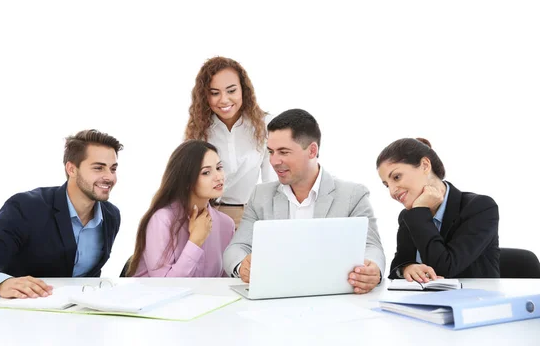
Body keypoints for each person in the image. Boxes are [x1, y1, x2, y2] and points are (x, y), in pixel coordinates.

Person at [223, 109, 385, 294]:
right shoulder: (260, 195)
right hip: (277, 299)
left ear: (312, 151)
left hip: (334, 299)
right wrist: (241, 266)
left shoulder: (353, 195)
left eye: (283, 152)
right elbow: (236, 248)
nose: (274, 161)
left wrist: (374, 271)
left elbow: (372, 247)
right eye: (271, 152)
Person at [0, 129, 123, 298]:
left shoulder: (111, 216)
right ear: (71, 169)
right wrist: (2, 283)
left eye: (113, 168)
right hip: (20, 316)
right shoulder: (27, 208)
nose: (110, 177)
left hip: (79, 316)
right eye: (98, 168)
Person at [376, 137, 499, 282]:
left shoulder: (479, 208)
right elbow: (398, 266)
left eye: (396, 177)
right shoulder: (409, 216)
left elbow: (445, 268)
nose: (392, 192)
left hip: (472, 301)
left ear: (425, 165)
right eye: (386, 185)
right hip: (421, 301)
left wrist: (420, 211)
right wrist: (407, 268)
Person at [184, 56, 276, 228]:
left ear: (243, 90)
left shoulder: (266, 125)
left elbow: (271, 181)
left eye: (231, 90)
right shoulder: (197, 131)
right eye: (215, 93)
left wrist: (270, 221)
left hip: (251, 215)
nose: (224, 100)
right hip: (208, 216)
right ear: (205, 96)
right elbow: (188, 183)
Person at [127, 140, 235, 277]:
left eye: (219, 168)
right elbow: (165, 286)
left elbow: (224, 282)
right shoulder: (162, 220)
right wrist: (195, 241)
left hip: (204, 298)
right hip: (154, 297)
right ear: (186, 180)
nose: (219, 177)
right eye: (206, 172)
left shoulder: (226, 224)